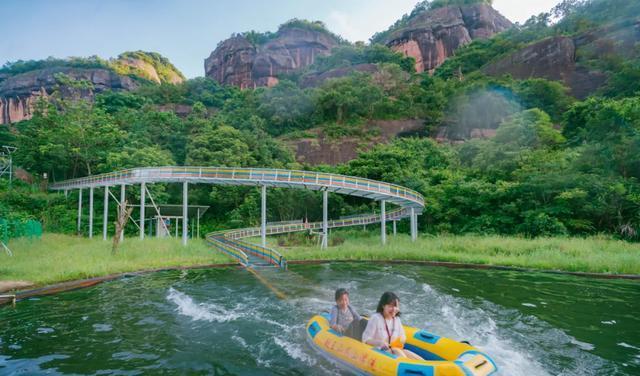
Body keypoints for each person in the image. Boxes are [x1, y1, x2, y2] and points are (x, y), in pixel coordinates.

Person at [362, 292, 423, 360]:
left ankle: (424, 364)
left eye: (396, 306)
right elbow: (366, 340)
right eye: (390, 306)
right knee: (396, 351)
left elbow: (403, 336)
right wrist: (380, 343)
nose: (394, 309)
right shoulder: (375, 318)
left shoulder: (397, 320)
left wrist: (401, 340)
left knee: (406, 352)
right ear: (383, 306)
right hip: (379, 352)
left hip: (394, 350)